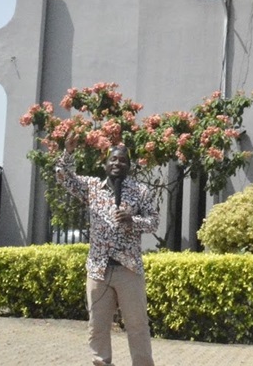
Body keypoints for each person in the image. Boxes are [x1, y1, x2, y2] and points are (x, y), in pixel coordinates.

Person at [56, 140, 159, 366]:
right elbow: (63, 176)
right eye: (113, 159)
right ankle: (101, 362)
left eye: (122, 160)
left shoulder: (141, 191)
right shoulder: (92, 188)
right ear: (105, 164)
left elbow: (153, 222)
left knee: (137, 325)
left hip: (128, 269)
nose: (117, 163)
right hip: (98, 270)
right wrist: (69, 151)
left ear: (128, 166)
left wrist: (133, 221)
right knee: (97, 326)